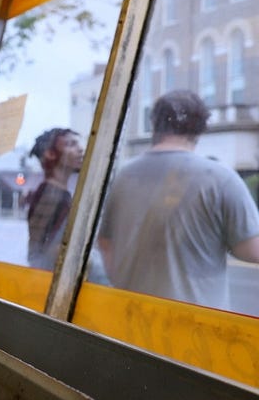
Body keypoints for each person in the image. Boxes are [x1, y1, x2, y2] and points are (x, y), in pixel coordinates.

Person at [97, 90, 259, 311]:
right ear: (201, 128)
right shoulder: (220, 178)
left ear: (154, 122)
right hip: (193, 326)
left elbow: (106, 244)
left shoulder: (124, 176)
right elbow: (251, 250)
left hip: (129, 315)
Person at [26, 127, 83, 271]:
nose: (80, 149)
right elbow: (40, 250)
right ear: (50, 154)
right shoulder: (51, 196)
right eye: (71, 145)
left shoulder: (56, 193)